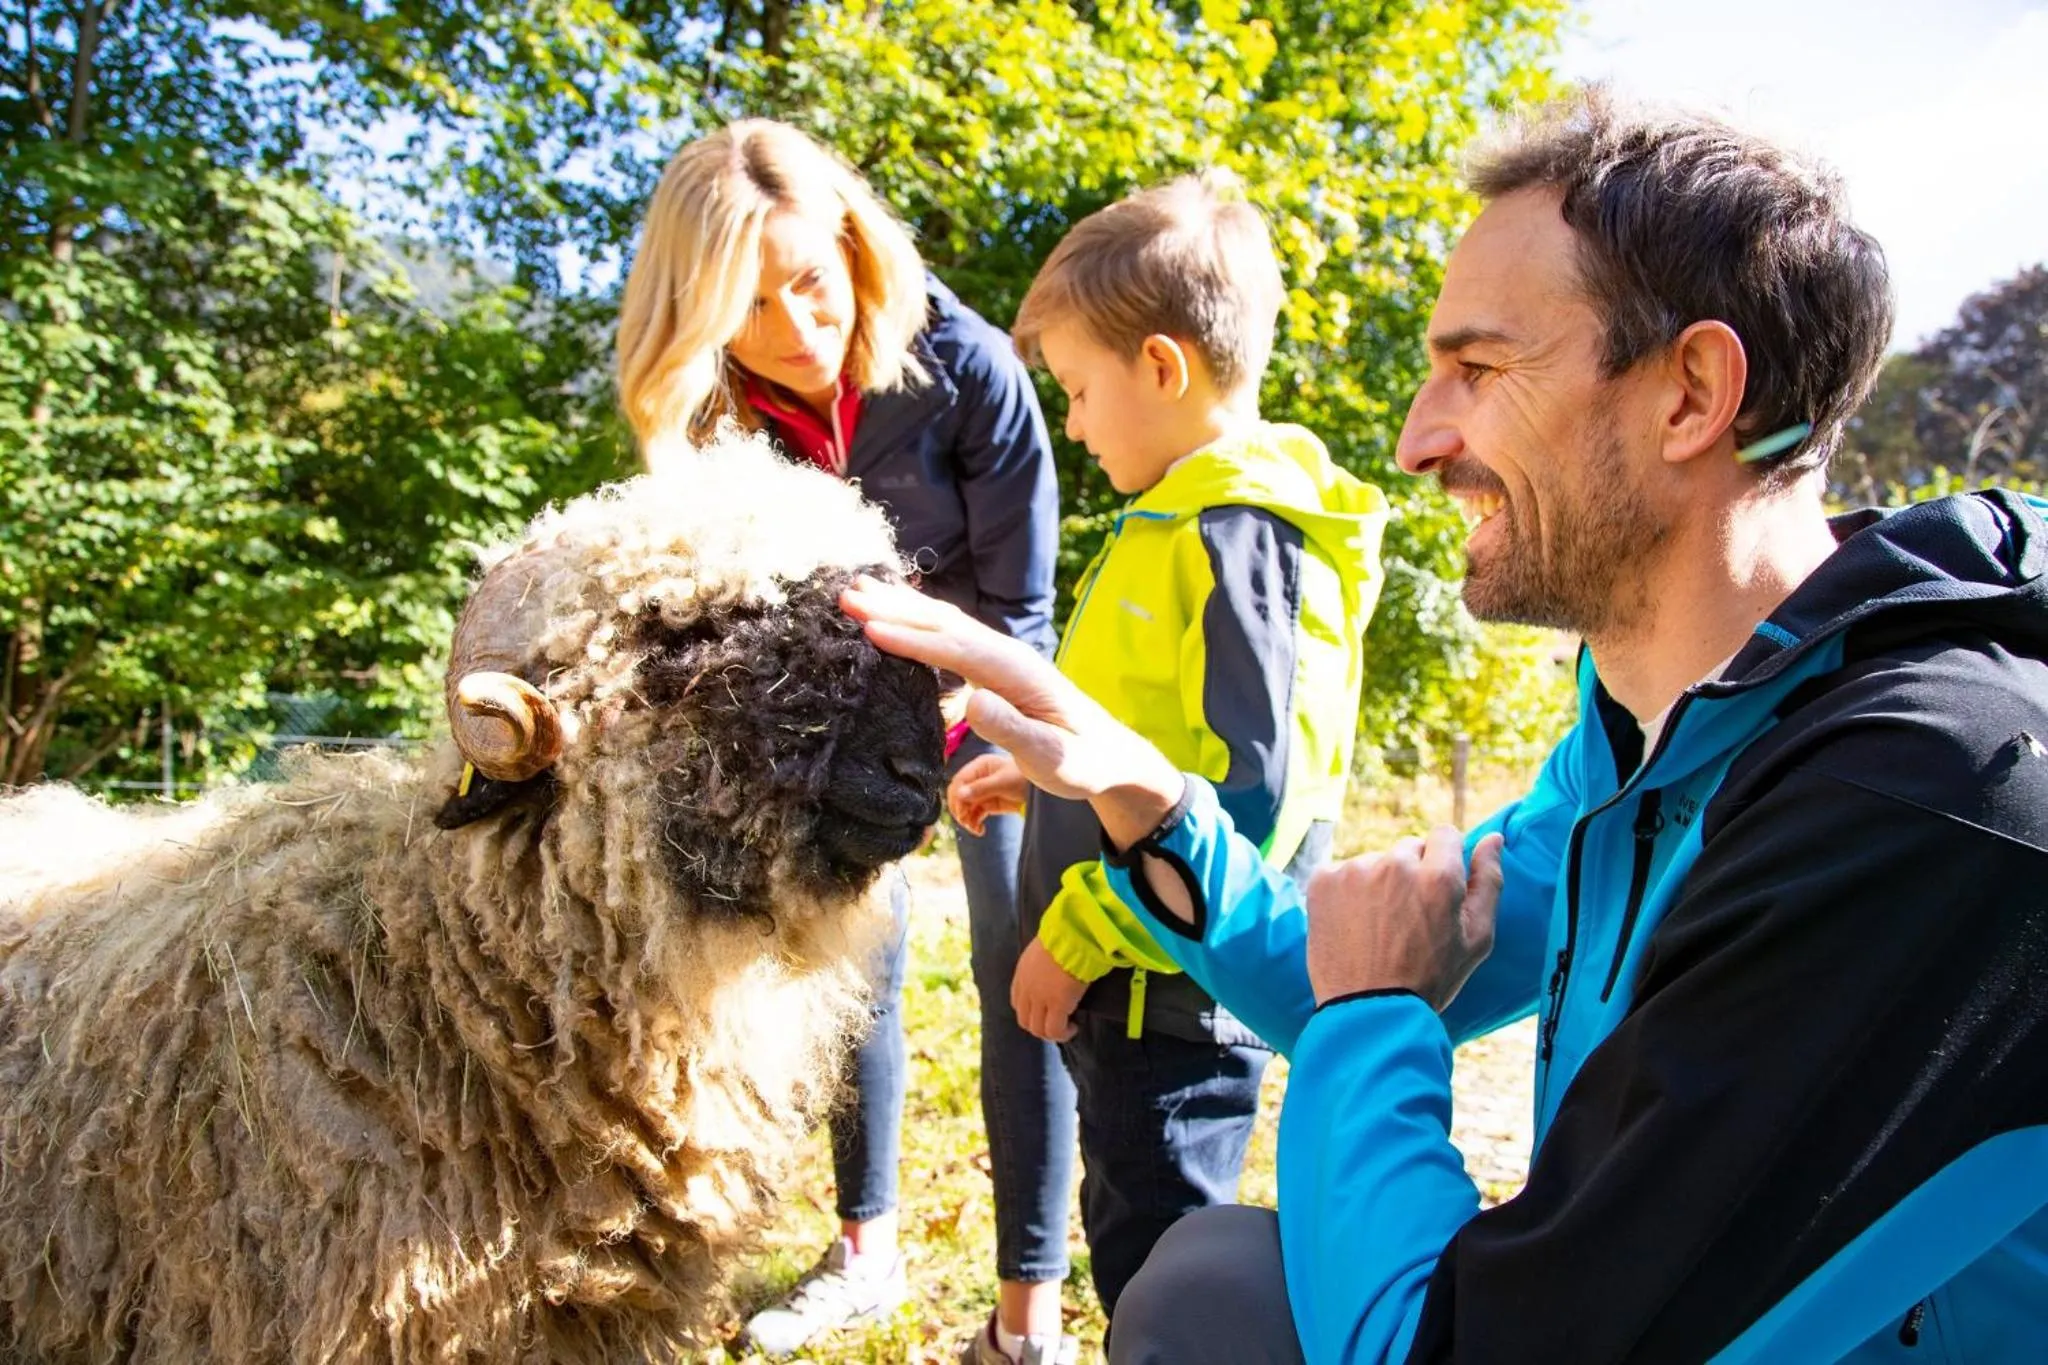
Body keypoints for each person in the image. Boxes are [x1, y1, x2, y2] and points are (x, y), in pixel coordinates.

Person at [843, 88, 2048, 1364]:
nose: (1417, 439)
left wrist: (1374, 1021)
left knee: (1210, 1296)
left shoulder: (1928, 795)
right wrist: (1139, 789)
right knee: (1207, 1283)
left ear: (1690, 394)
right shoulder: (1642, 736)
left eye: (1474, 369)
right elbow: (1350, 970)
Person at [615, 119, 1067, 1360]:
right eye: (750, 302)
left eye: (810, 281)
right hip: (816, 729)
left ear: (853, 248)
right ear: (698, 306)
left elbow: (1019, 600)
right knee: (847, 974)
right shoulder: (713, 409)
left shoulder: (969, 369)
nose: (796, 328)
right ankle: (864, 1247)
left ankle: (1028, 1300)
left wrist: (964, 727)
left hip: (982, 707)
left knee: (1020, 966)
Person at [945, 170, 1387, 1348]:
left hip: (1170, 996)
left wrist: (1082, 930)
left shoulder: (1238, 536)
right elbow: (1137, 734)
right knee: (1131, 1238)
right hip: (1130, 984)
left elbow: (1251, 802)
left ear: (1160, 366)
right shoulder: (1182, 518)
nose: (1075, 426)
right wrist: (1037, 776)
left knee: (1165, 1267)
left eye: (1081, 393)